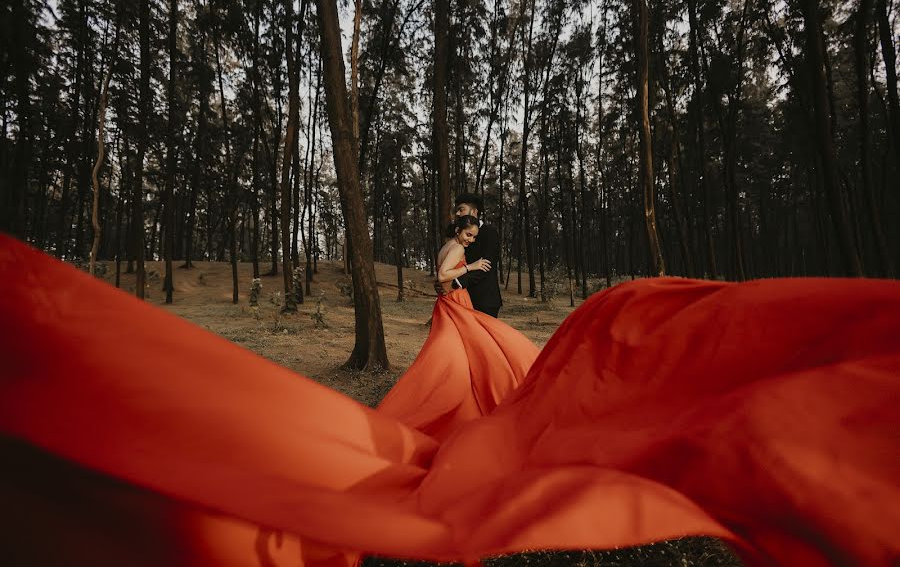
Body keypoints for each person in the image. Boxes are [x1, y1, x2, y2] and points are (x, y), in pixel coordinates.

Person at [2, 232, 900, 567]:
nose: (470, 233)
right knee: (465, 372)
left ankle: (492, 413)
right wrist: (464, 270)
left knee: (497, 370)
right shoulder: (450, 251)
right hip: (454, 307)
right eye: (466, 227)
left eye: (471, 230)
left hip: (477, 310)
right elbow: (440, 275)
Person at [377, 214, 540, 442]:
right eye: (467, 234)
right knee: (481, 346)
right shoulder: (457, 250)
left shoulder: (447, 246)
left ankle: (463, 395)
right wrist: (470, 267)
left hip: (448, 302)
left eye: (474, 236)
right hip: (456, 303)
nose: (470, 240)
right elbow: (443, 275)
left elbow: (440, 279)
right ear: (458, 231)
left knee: (459, 352)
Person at [439, 193, 502, 317]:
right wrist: (443, 282)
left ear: (474, 212)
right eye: (457, 210)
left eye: (461, 209)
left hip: (484, 300)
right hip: (463, 298)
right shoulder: (457, 233)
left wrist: (455, 283)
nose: (457, 214)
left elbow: (485, 267)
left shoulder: (489, 233)